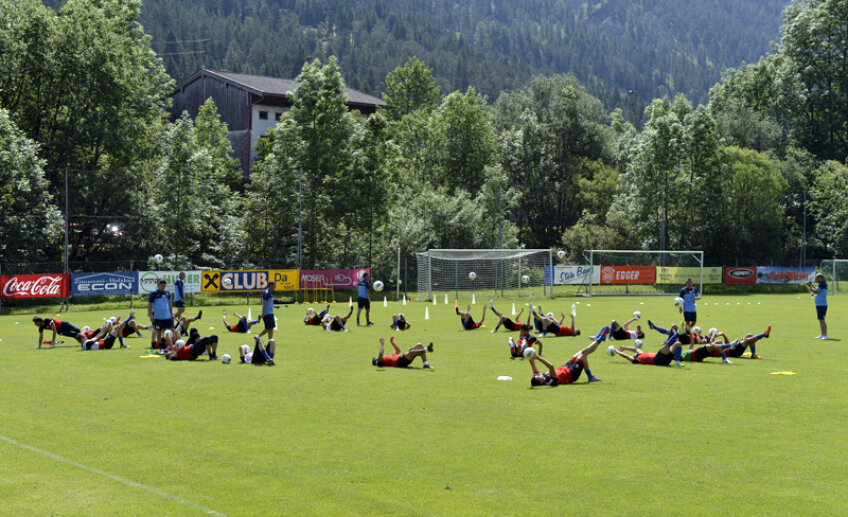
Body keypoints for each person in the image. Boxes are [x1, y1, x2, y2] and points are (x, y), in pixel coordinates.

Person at [526, 334, 603, 386]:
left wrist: (528, 354)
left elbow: (532, 364)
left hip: (566, 367)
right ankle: (600, 338)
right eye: (539, 377)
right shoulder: (550, 382)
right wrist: (538, 357)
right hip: (572, 374)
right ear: (541, 382)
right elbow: (551, 367)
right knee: (584, 354)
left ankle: (590, 377)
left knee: (582, 352)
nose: (539, 375)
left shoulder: (538, 377)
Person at [611, 333, 683, 366]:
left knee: (678, 343)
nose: (634, 354)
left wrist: (624, 347)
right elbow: (626, 356)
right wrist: (617, 351)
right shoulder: (636, 360)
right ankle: (678, 332)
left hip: (664, 359)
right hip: (658, 360)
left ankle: (677, 361)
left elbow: (636, 349)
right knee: (667, 345)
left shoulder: (641, 354)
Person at [148, 278, 174, 350]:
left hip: (167, 316)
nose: (163, 288)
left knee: (170, 331)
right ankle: (160, 348)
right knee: (159, 333)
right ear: (158, 285)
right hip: (158, 317)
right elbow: (150, 304)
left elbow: (170, 303)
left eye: (164, 286)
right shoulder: (153, 293)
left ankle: (169, 347)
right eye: (162, 286)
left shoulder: (167, 293)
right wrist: (150, 314)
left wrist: (171, 313)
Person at [807, 273, 828, 339]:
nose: (816, 280)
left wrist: (810, 286)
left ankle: (825, 335)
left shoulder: (822, 284)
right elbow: (816, 290)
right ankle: (822, 334)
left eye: (817, 278)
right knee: (820, 319)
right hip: (820, 304)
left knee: (822, 320)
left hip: (822, 305)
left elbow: (815, 291)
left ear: (821, 278)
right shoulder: (822, 284)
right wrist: (811, 285)